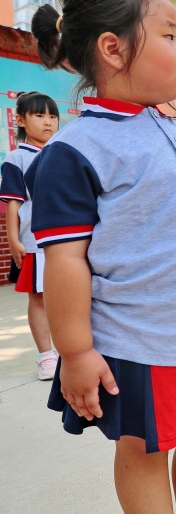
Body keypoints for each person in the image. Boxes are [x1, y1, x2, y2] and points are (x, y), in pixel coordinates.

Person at [27, 0, 176, 512]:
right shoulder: (76, 150)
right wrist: (76, 352)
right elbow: (64, 261)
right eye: (169, 35)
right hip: (140, 340)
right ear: (112, 48)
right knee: (148, 446)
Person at [0, 91, 59, 379]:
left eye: (52, 116)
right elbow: (14, 202)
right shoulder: (17, 157)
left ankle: (68, 350)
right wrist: (13, 239)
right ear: (21, 120)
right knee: (39, 298)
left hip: (65, 242)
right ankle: (46, 356)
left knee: (66, 297)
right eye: (39, 115)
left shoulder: (61, 153)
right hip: (34, 242)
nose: (48, 122)